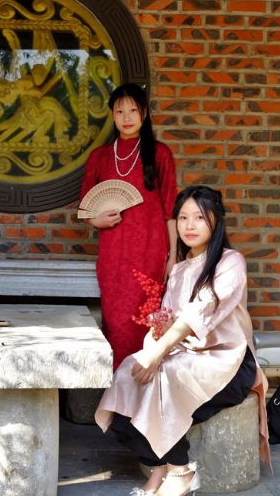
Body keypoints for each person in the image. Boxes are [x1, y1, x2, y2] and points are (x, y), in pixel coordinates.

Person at [94, 186, 270, 496]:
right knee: (127, 375)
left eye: (199, 218)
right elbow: (166, 320)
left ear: (216, 221)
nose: (189, 226)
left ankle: (180, 470)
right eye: (183, 218)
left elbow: (200, 311)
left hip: (228, 362)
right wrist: (153, 344)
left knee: (162, 379)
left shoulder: (230, 261)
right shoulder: (178, 270)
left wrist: (158, 354)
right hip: (184, 355)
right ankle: (159, 467)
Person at [81, 83, 178, 369]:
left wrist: (173, 255)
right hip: (114, 254)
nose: (126, 117)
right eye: (119, 111)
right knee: (116, 323)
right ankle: (117, 388)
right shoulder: (99, 157)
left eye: (133, 110)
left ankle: (146, 386)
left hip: (151, 252)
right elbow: (85, 208)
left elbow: (170, 210)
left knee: (148, 322)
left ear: (144, 113)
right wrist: (96, 220)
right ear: (112, 115)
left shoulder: (160, 154)